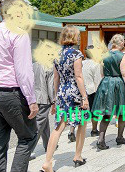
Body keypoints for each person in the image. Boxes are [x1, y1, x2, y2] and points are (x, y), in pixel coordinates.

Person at [0, 0, 38, 172]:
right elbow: (23, 71)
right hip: (11, 92)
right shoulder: (19, 34)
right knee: (28, 136)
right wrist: (32, 100)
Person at [41, 26, 89, 171]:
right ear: (74, 37)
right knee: (82, 122)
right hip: (75, 93)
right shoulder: (76, 54)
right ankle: (78, 156)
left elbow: (56, 77)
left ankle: (48, 161)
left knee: (58, 127)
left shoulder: (57, 54)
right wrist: (85, 97)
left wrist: (56, 98)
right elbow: (78, 76)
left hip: (62, 92)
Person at [92, 34, 125, 150]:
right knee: (122, 111)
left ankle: (101, 138)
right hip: (118, 83)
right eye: (123, 42)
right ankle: (119, 137)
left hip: (106, 82)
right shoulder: (122, 56)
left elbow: (102, 72)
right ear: (120, 43)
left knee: (107, 112)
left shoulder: (104, 55)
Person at [30, 61, 55, 159]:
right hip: (44, 98)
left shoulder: (34, 64)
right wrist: (54, 101)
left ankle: (48, 145)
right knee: (39, 124)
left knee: (44, 122)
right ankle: (29, 150)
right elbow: (50, 86)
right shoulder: (49, 66)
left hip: (34, 97)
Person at [82, 45, 103, 137]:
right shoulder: (96, 64)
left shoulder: (81, 63)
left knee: (79, 111)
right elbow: (97, 80)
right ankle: (94, 130)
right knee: (94, 111)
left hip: (81, 90)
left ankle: (72, 131)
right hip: (92, 90)